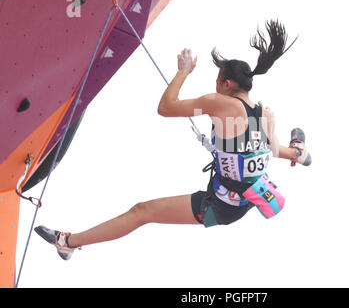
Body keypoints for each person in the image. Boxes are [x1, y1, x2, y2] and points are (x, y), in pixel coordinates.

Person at [34, 20, 309, 260]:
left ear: (226, 84)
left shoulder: (219, 104)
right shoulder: (260, 112)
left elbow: (166, 108)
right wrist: (295, 152)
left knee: (143, 211)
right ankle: (302, 153)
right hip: (241, 200)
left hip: (221, 204)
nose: (214, 88)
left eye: (217, 82)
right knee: (143, 211)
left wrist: (183, 71)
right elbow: (271, 150)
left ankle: (67, 243)